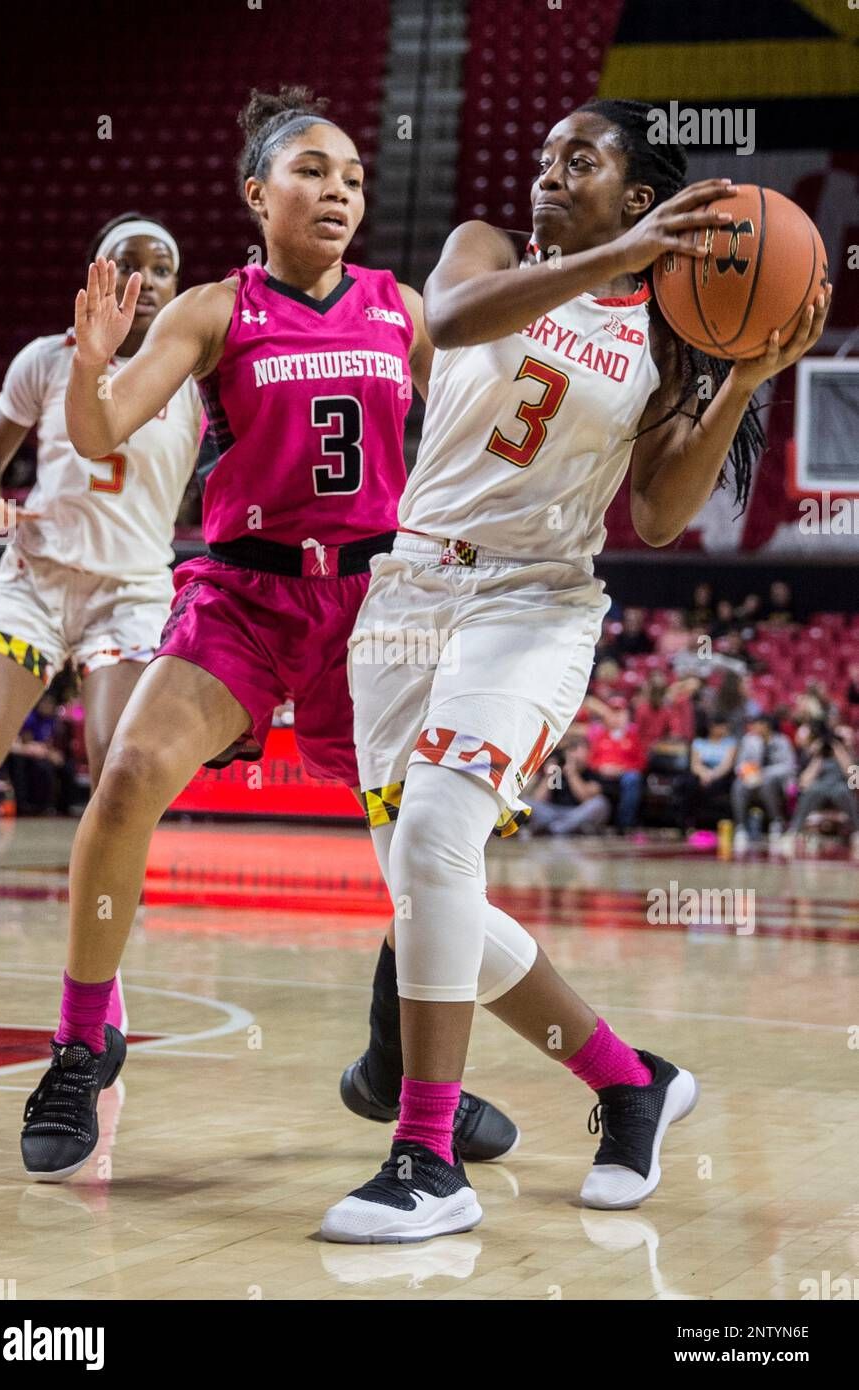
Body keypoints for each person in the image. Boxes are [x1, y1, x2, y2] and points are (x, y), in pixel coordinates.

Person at [322, 96, 829, 1243]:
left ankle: (425, 1156)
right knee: (424, 885)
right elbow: (448, 320)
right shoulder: (486, 250)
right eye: (545, 154)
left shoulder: (662, 331)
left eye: (580, 159)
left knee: (439, 834)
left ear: (639, 194)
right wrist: (622, 255)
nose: (548, 171)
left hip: (533, 605)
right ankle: (628, 1079)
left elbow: (656, 511)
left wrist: (742, 376)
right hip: (406, 598)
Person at [18, 87, 516, 1182]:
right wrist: (95, 365)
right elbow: (101, 428)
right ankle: (81, 1039)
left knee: (428, 846)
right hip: (245, 594)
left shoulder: (404, 308)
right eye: (311, 172)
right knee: (131, 773)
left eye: (350, 174)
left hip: (376, 612)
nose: (338, 188)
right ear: (258, 195)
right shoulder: (212, 308)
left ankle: (396, 1062)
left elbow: (494, 420)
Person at [0, 213, 200, 1020]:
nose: (149, 279)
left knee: (116, 771)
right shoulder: (46, 361)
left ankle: (96, 976)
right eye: (131, 263)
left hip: (129, 592)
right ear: (98, 273)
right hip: (35, 579)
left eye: (163, 268)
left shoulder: (195, 376)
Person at [781, 722, 859, 856]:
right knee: (812, 790)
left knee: (842, 791)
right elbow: (803, 783)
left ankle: (857, 831)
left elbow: (855, 780)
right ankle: (793, 831)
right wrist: (818, 756)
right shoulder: (816, 756)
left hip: (840, 787)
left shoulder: (851, 756)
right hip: (820, 786)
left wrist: (839, 751)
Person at [731, 714, 796, 851]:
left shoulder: (782, 741)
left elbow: (789, 767)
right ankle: (741, 827)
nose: (753, 727)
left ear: (766, 726)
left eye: (757, 724)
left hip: (777, 781)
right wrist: (749, 773)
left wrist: (765, 773)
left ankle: (776, 822)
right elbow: (739, 764)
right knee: (738, 785)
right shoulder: (749, 740)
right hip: (752, 779)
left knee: (767, 783)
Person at [528, 733, 610, 835]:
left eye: (576, 747)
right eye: (570, 748)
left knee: (600, 803)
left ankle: (556, 828)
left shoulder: (592, 773)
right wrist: (549, 775)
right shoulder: (557, 772)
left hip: (578, 812)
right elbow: (538, 799)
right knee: (526, 802)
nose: (571, 753)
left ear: (588, 752)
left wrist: (572, 773)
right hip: (554, 812)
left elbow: (584, 797)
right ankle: (565, 827)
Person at [587, 699, 646, 830]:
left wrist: (622, 770)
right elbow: (591, 760)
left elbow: (641, 763)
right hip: (602, 775)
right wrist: (601, 768)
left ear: (627, 716)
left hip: (625, 775)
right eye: (614, 713)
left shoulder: (633, 737)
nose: (617, 717)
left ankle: (624, 824)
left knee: (632, 779)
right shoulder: (601, 736)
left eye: (620, 713)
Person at [677, 715, 737, 833]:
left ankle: (709, 826)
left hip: (720, 773)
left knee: (713, 787)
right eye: (720, 726)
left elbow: (727, 765)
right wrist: (704, 774)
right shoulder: (699, 742)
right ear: (712, 727)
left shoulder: (731, 743)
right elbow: (695, 764)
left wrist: (712, 775)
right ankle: (686, 824)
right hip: (701, 771)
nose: (724, 729)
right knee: (688, 784)